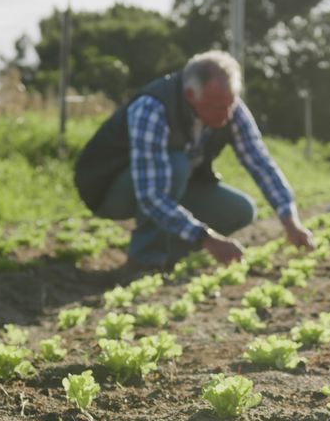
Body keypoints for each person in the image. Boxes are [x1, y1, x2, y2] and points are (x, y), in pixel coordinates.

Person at [74, 50, 314, 269]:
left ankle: (171, 256)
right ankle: (143, 262)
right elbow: (150, 195)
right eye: (218, 107)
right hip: (110, 191)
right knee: (176, 165)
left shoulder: (228, 107)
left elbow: (260, 163)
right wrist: (207, 239)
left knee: (240, 210)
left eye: (230, 105)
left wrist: (290, 221)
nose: (227, 115)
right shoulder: (152, 108)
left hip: (168, 184)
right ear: (191, 95)